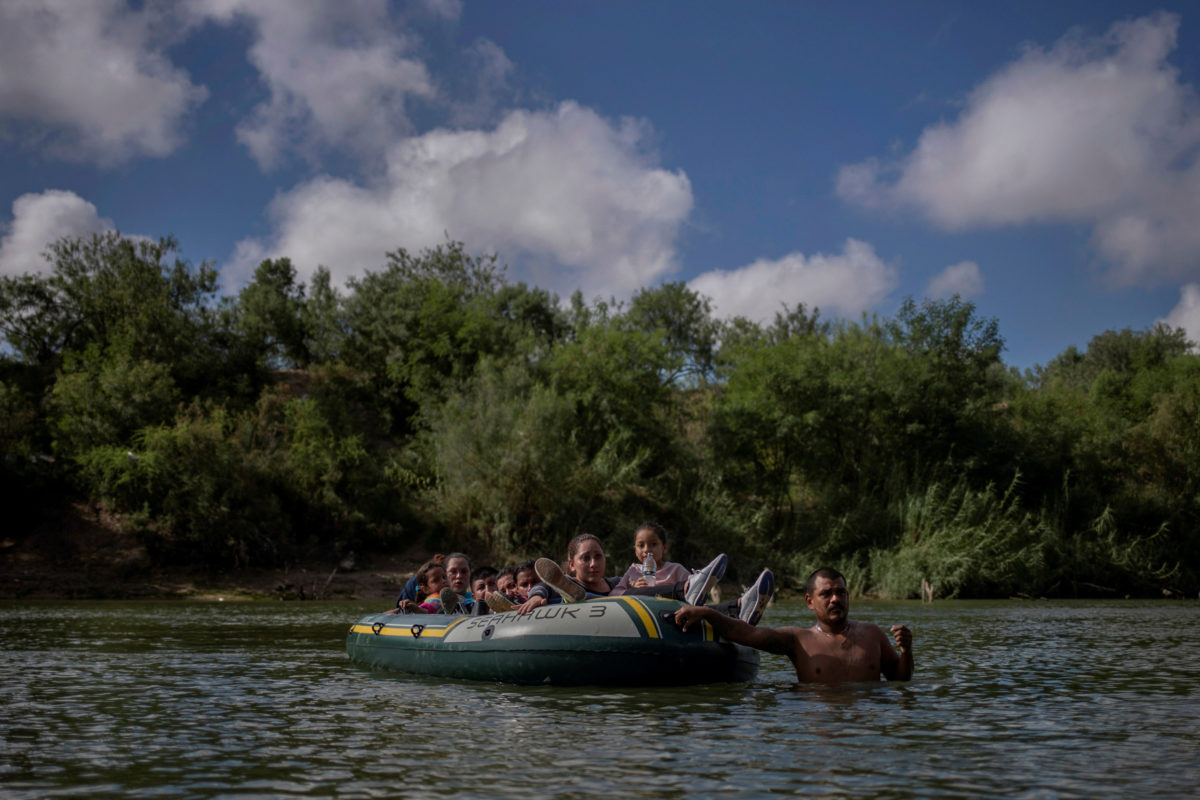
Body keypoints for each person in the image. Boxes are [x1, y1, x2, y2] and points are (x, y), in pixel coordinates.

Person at [674, 567, 913, 683]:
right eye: (827, 594)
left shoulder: (872, 634)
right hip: (819, 731)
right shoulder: (798, 640)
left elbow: (900, 680)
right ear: (810, 601)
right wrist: (708, 613)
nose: (835, 599)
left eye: (841, 592)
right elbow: (747, 633)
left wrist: (906, 651)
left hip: (865, 730)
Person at [611, 521, 691, 593]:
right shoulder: (633, 570)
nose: (646, 550)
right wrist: (633, 590)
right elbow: (614, 593)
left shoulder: (675, 570)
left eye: (653, 544)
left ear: (664, 548)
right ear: (635, 550)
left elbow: (694, 588)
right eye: (641, 545)